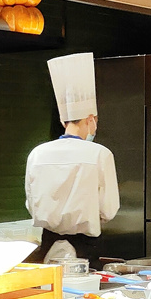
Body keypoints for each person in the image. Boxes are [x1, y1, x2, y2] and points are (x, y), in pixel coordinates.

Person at [25, 52, 119, 268]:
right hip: (86, 247)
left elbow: (31, 204)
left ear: (62, 121)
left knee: (52, 288)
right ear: (90, 119)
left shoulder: (37, 154)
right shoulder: (100, 154)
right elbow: (109, 209)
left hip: (47, 245)